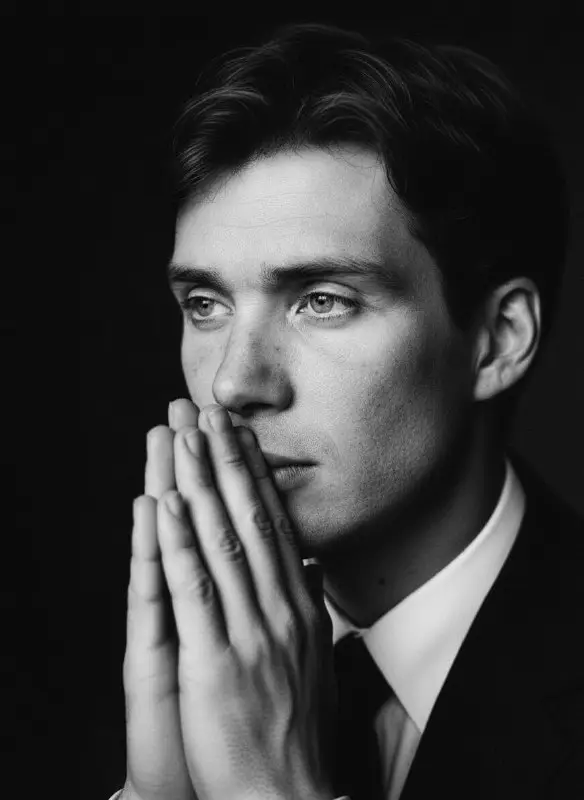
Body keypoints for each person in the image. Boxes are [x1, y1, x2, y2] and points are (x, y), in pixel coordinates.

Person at [108, 22, 583, 800]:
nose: (232, 383)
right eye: (205, 303)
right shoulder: (173, 678)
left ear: (498, 340)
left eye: (323, 300)